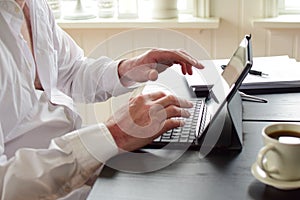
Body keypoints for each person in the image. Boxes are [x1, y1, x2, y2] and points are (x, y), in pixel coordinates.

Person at [0, 0, 204, 199]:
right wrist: (114, 135)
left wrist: (130, 68)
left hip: (76, 173)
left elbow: (71, 71)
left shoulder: (34, 6)